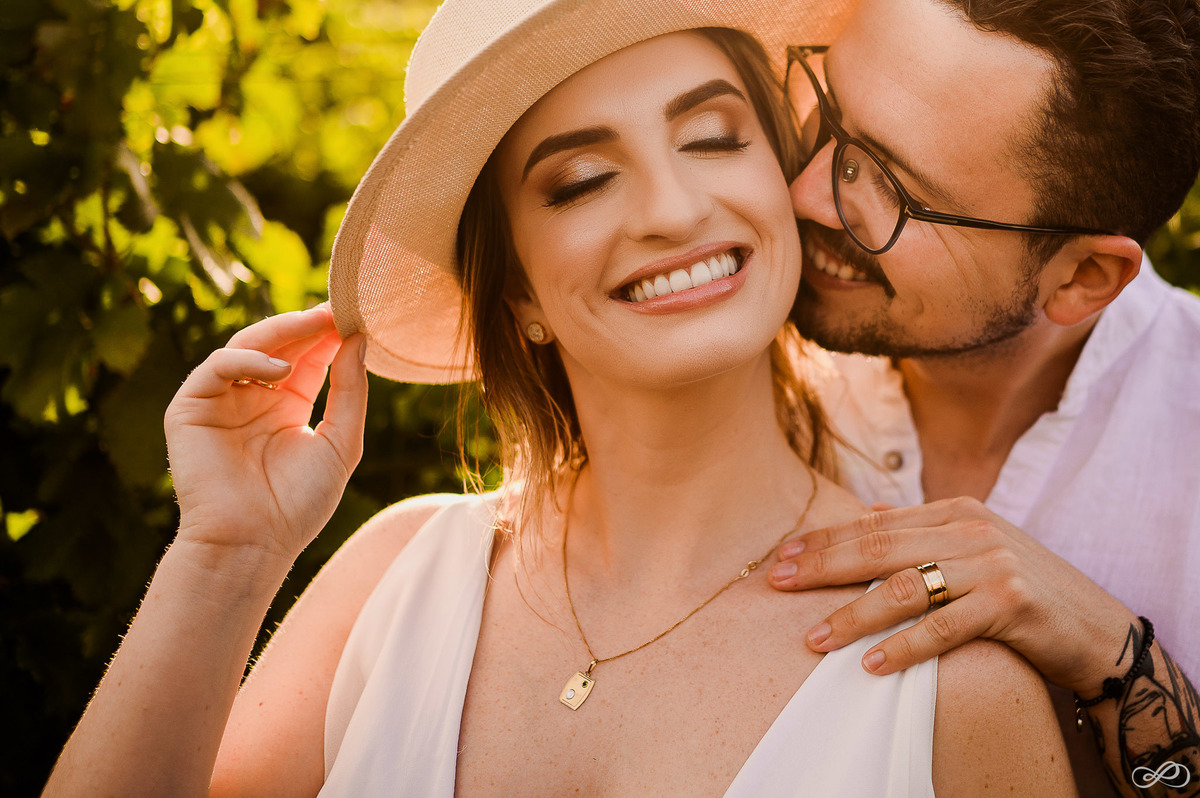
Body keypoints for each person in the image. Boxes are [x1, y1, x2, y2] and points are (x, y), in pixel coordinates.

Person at [43, 0, 1079, 795]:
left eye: (714, 137)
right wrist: (225, 556)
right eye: (581, 180)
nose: (674, 208)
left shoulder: (956, 683)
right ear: (521, 293)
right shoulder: (397, 579)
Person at [767, 0, 1200, 794]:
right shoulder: (730, 352)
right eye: (825, 106)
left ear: (1080, 278)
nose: (804, 194)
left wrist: (1119, 664)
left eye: (892, 187)